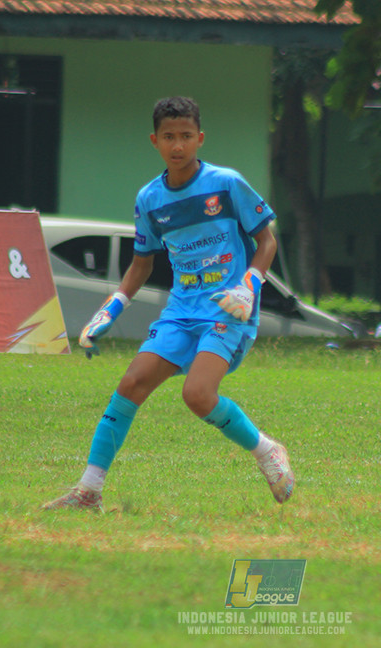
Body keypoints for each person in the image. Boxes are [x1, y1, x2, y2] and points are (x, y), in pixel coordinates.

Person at [44, 96, 294, 510]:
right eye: (168, 137)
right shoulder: (149, 199)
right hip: (181, 312)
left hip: (227, 309)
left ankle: (267, 450)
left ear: (200, 138)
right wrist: (111, 309)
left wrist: (248, 286)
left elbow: (266, 239)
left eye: (185, 136)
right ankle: (88, 491)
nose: (178, 145)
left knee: (197, 395)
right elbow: (142, 264)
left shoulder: (226, 184)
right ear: (154, 141)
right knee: (130, 384)